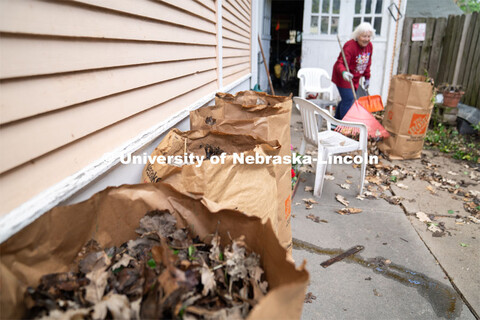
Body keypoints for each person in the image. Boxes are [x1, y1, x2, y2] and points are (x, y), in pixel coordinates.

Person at [332, 22, 374, 119]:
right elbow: (340, 63)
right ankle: (344, 126)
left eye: (369, 36)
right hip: (343, 77)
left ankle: (336, 121)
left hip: (355, 78)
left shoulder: (369, 46)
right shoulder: (350, 46)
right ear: (358, 35)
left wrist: (367, 78)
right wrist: (344, 72)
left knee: (346, 100)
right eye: (364, 36)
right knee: (349, 99)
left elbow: (367, 63)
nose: (366, 39)